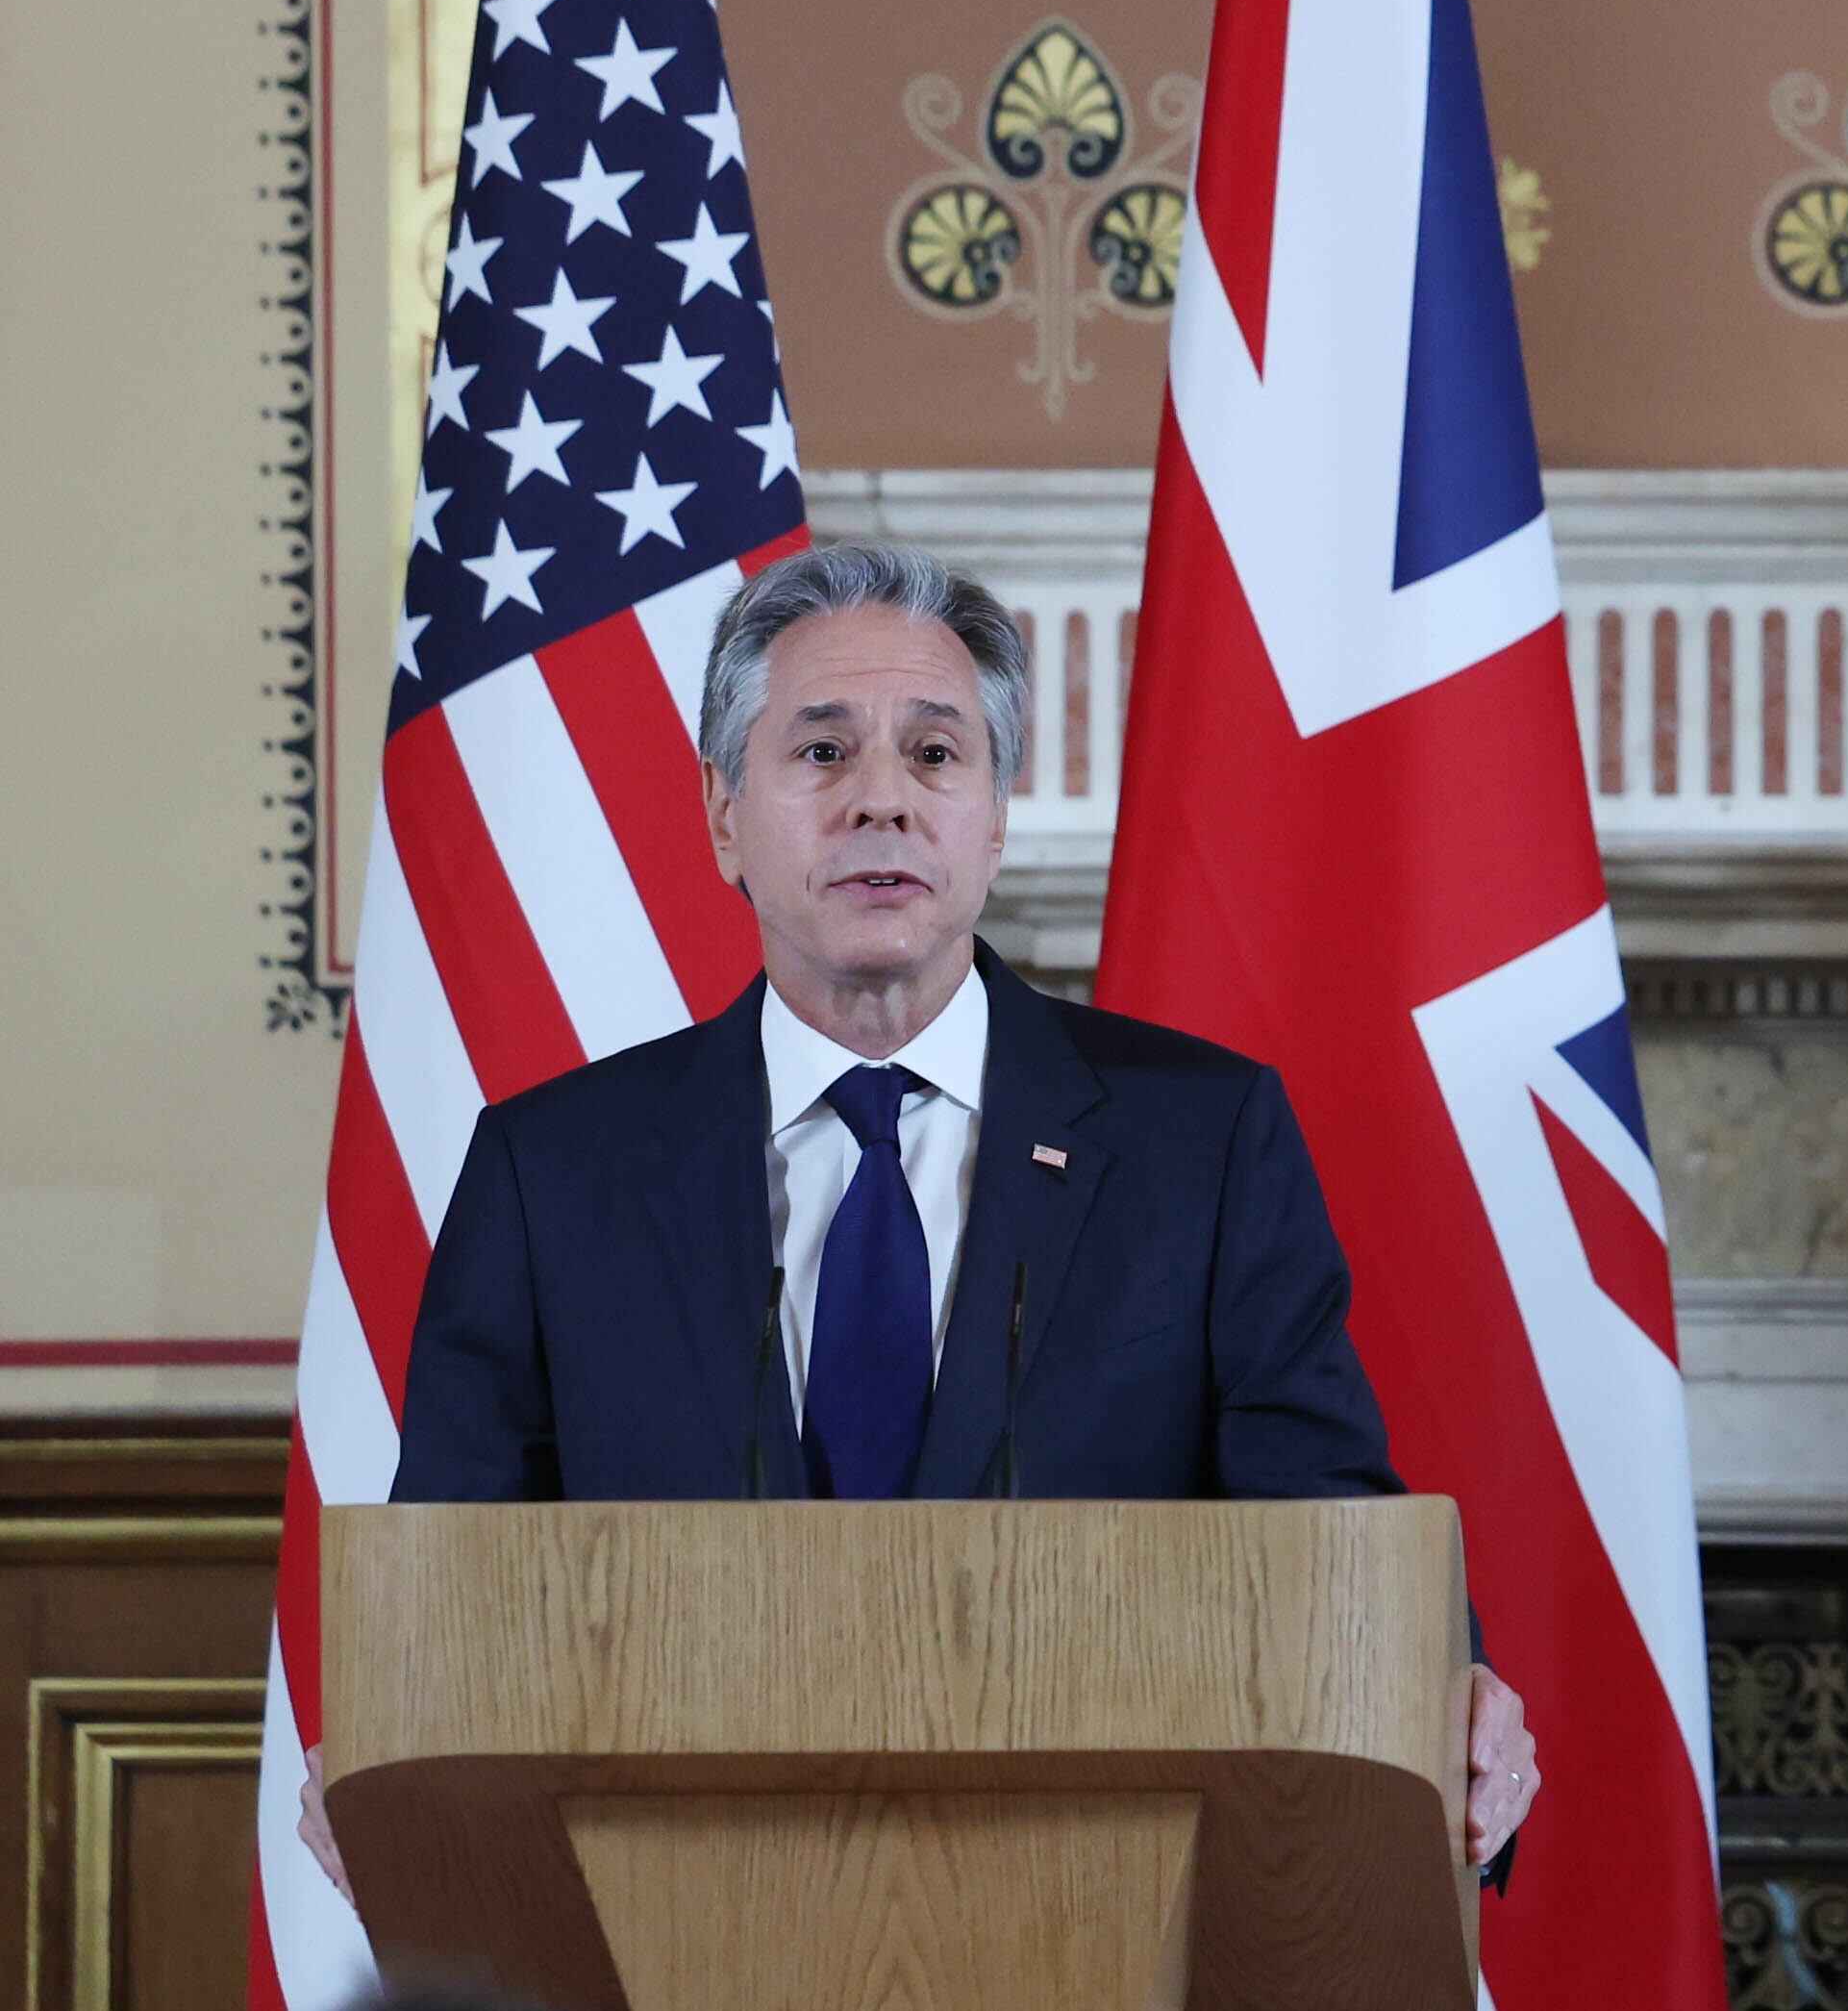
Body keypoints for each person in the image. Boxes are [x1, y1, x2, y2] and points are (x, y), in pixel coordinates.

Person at [301, 541, 1538, 1891]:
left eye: (936, 754)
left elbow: (1327, 1544)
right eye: (821, 752)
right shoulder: (556, 1171)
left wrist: (1450, 1699)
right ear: (723, 813)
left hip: (1091, 1915)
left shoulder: (1201, 1143)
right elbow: (458, 1587)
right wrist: (394, 1741)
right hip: (677, 1915)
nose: (880, 799)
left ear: (996, 813)